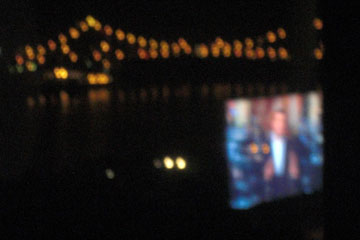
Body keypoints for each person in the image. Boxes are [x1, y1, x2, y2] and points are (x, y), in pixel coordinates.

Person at [262, 109, 301, 199]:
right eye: (278, 120)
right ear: (272, 123)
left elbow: (297, 172)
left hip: (286, 190)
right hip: (267, 192)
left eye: (284, 121)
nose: (281, 124)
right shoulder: (263, 142)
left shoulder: (293, 143)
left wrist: (296, 171)